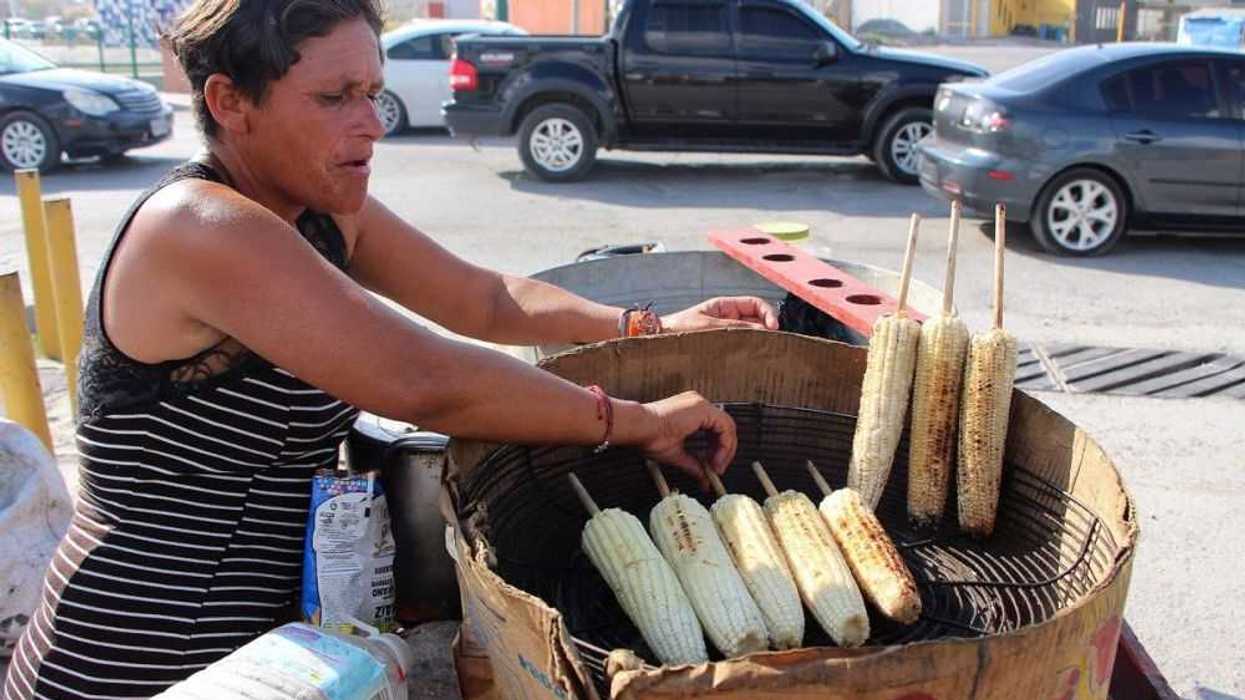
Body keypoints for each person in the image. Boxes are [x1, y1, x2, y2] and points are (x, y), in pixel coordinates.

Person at [3, 1, 780, 697]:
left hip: (270, 652)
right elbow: (422, 379)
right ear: (229, 102)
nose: (372, 123)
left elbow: (481, 299)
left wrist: (650, 328)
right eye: (334, 97)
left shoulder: (321, 210)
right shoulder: (198, 226)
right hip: (134, 657)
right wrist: (640, 422)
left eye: (372, 93)